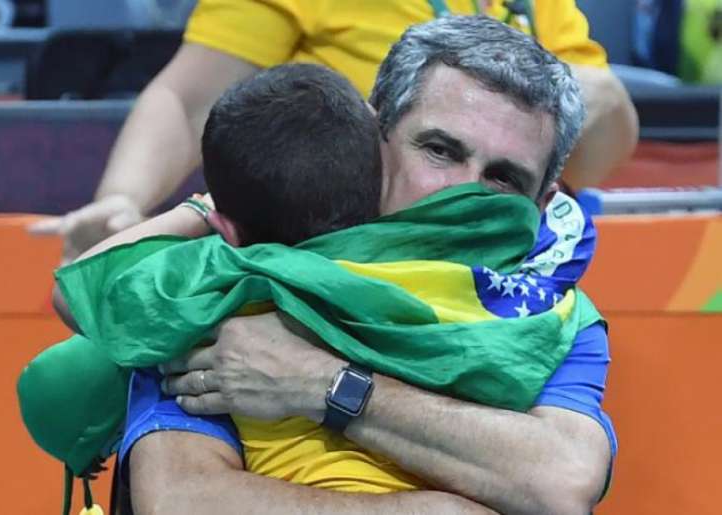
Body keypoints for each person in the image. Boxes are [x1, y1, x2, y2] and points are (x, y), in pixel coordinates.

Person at [120, 16, 614, 515]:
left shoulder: (550, 314)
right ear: (372, 137)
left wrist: (322, 383)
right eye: (440, 151)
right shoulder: (245, 267)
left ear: (543, 202)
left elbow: (561, 481)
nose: (465, 193)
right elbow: (178, 499)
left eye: (504, 177)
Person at [29, 0, 638, 265]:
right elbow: (188, 99)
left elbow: (595, 155)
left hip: (505, 270)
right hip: (337, 260)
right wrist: (125, 198)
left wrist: (591, 101)